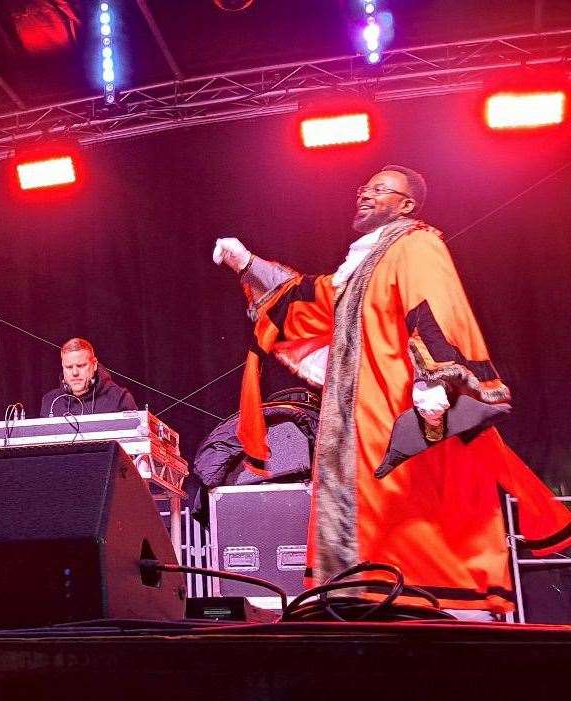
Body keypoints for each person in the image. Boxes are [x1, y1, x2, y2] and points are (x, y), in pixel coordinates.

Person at [214, 165, 571, 616]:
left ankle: (444, 601)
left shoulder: (416, 242)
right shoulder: (363, 267)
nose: (366, 195)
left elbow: (434, 301)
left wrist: (438, 380)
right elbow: (309, 299)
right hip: (358, 416)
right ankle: (367, 596)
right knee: (375, 510)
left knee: (417, 503)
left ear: (406, 205)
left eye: (382, 190)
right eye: (365, 187)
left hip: (404, 406)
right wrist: (248, 263)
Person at [39, 338, 138, 417]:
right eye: (69, 367)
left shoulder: (119, 398)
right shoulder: (50, 401)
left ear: (94, 364)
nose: (75, 373)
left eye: (81, 365)